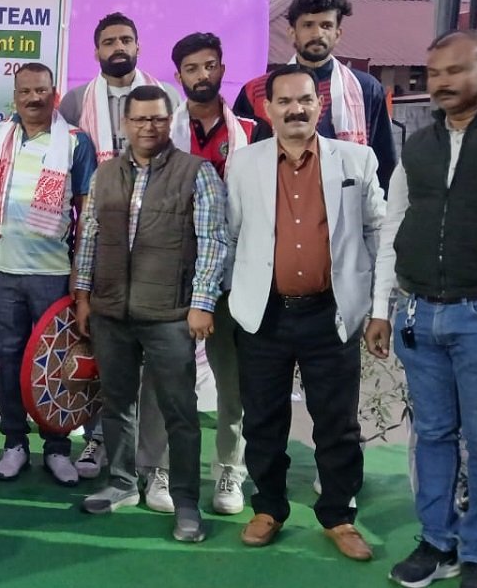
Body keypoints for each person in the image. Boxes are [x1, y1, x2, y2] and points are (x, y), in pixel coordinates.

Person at [366, 30, 477, 588]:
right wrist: (381, 308)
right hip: (419, 312)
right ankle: (436, 542)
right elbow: (394, 226)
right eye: (434, 73)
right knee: (432, 435)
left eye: (455, 70)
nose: (442, 82)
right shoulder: (419, 144)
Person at [226, 64, 385, 561]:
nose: (296, 109)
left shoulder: (356, 159)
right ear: (267, 109)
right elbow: (232, 235)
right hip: (264, 315)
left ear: (320, 105)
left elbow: (378, 232)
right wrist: (233, 299)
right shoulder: (243, 164)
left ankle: (338, 515)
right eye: (285, 101)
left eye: (305, 100)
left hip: (330, 313)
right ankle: (268, 507)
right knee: (262, 420)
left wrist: (375, 304)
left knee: (337, 422)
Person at [72, 84, 227, 543]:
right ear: (125, 124)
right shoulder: (105, 174)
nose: (148, 127)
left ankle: (186, 503)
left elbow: (214, 242)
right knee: (117, 403)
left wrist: (202, 304)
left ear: (169, 121)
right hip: (110, 311)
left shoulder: (197, 172)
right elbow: (90, 236)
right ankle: (121, 483)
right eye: (139, 119)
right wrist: (83, 296)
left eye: (157, 118)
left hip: (170, 314)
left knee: (180, 411)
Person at [134, 32, 254, 517]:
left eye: (209, 66)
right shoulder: (163, 133)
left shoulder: (251, 132)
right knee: (163, 376)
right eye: (191, 68)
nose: (202, 75)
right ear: (178, 76)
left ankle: (230, 469)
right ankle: (158, 468)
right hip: (173, 274)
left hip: (233, 276)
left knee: (233, 381)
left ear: (221, 69)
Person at [0, 63, 96, 485]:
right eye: (25, 91)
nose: (34, 98)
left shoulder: (76, 142)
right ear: (14, 95)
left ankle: (57, 448)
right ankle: (14, 443)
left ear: (54, 93)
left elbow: (87, 217)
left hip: (53, 274)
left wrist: (81, 281)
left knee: (55, 363)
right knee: (10, 359)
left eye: (41, 90)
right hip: (4, 270)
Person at [232, 0, 396, 191]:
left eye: (326, 26)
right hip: (276, 199)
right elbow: (243, 159)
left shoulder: (366, 89)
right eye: (308, 25)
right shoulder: (256, 91)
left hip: (348, 202)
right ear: (292, 33)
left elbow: (384, 162)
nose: (317, 34)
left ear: (337, 34)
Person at [58, 11, 181, 163]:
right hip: (98, 178)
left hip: (158, 177)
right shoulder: (75, 100)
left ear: (138, 48)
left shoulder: (167, 94)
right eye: (109, 42)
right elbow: (65, 158)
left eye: (126, 40)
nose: (119, 47)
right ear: (96, 53)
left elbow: (180, 150)